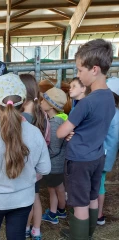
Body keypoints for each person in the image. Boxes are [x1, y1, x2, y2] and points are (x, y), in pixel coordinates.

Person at [0, 73, 51, 240]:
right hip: (23, 200)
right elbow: (45, 168)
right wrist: (29, 176)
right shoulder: (34, 133)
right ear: (24, 102)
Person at [56, 39, 115, 240]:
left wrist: (67, 130)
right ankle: (85, 234)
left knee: (79, 205)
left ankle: (78, 236)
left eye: (80, 71)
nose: (79, 75)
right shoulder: (109, 97)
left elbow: (61, 132)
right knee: (92, 199)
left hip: (79, 160)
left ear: (95, 69)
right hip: (97, 156)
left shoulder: (86, 103)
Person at [19, 74, 50, 240]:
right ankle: (36, 230)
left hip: (26, 166)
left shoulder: (22, 119)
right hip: (39, 165)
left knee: (27, 199)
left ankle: (25, 227)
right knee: (36, 197)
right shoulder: (43, 114)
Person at [40, 87, 68, 225]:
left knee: (52, 190)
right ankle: (62, 211)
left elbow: (54, 149)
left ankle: (52, 214)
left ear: (50, 106)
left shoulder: (54, 123)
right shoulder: (63, 119)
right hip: (61, 162)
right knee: (60, 187)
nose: (40, 102)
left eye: (43, 100)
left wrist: (41, 156)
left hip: (54, 163)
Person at [97, 76, 119, 225]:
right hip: (109, 154)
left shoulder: (109, 112)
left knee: (98, 185)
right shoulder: (117, 112)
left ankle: (98, 215)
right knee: (100, 183)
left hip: (101, 154)